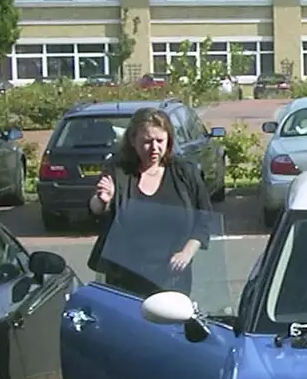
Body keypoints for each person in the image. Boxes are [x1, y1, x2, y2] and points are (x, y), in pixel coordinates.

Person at [86, 107, 216, 298]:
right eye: (147, 142)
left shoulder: (185, 173)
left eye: (160, 141)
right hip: (125, 277)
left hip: (172, 278)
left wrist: (187, 253)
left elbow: (204, 219)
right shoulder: (119, 171)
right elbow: (94, 209)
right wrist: (102, 200)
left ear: (169, 140)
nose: (154, 148)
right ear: (132, 141)